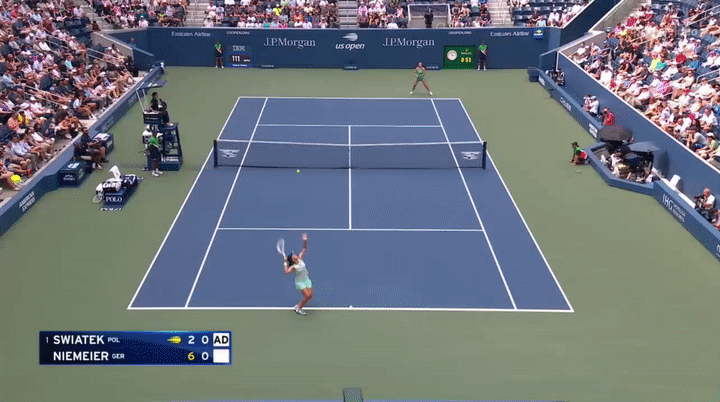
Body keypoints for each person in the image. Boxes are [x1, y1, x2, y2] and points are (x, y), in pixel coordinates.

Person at [283, 233, 312, 316]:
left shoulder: (300, 257)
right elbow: (286, 271)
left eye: (294, 255)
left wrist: (305, 240)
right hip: (300, 282)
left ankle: (298, 306)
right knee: (307, 296)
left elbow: (304, 248)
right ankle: (298, 307)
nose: (295, 255)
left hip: (306, 279)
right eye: (293, 256)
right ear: (292, 259)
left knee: (310, 296)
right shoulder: (293, 267)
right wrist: (285, 263)